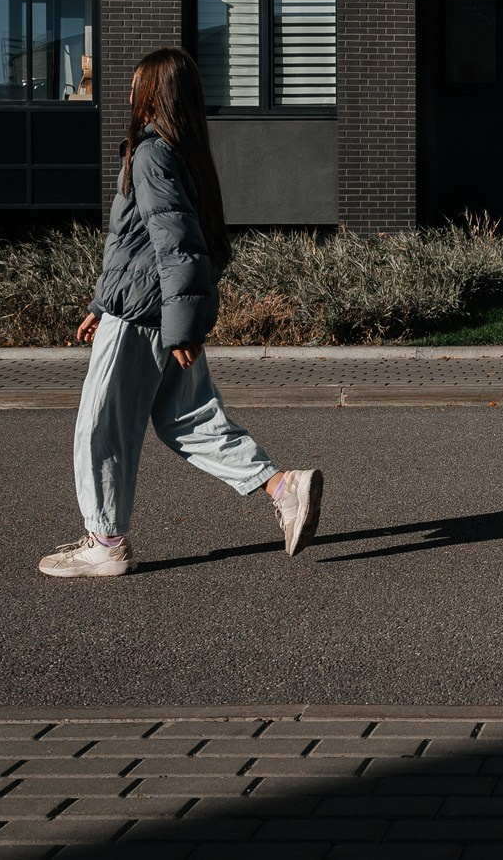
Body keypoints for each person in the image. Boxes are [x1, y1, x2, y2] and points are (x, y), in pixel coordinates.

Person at [39, 47, 323, 578]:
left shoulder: (149, 154)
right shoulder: (182, 154)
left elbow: (178, 246)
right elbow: (140, 244)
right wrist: (102, 303)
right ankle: (283, 487)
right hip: (155, 312)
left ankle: (104, 543)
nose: (127, 91)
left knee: (99, 428)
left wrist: (178, 327)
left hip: (146, 317)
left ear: (152, 94)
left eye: (135, 83)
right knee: (186, 419)